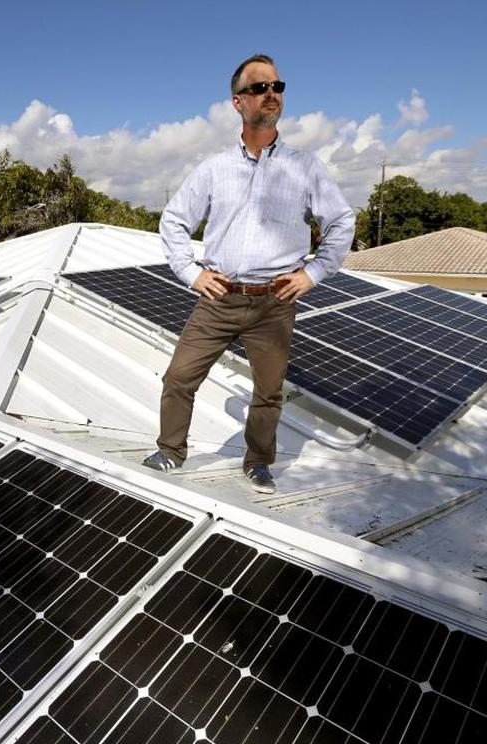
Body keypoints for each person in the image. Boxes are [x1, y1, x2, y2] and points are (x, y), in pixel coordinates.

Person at [142, 53, 355, 494]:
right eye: (260, 88)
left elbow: (341, 222)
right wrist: (190, 272)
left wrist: (312, 274)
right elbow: (174, 220)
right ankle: (170, 450)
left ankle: (258, 461)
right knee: (178, 378)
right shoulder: (215, 169)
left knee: (268, 392)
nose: (271, 94)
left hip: (274, 302)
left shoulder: (305, 166)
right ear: (238, 102)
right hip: (219, 297)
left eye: (277, 86)